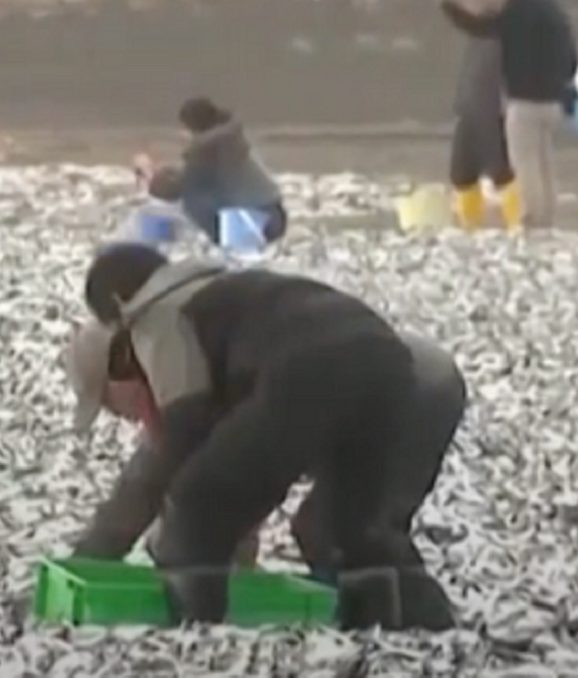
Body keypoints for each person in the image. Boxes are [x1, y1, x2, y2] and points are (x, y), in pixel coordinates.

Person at [65, 243, 461, 630]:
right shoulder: (228, 301)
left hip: (314, 368)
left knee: (194, 507)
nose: (129, 419)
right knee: (342, 529)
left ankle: (200, 639)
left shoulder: (159, 324)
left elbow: (178, 448)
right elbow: (231, 458)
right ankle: (423, 628)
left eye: (115, 405)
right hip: (384, 362)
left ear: (121, 365)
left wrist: (184, 529)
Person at [439, 0, 578, 229]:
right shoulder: (551, 7)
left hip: (521, 102)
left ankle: (530, 222)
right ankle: (544, 220)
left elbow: (478, 26)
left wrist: (448, 6)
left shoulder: (513, 11)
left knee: (523, 166)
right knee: (542, 165)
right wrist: (562, 83)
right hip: (550, 100)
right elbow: (570, 54)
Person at [133, 97, 286, 247]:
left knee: (188, 203)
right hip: (272, 214)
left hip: (256, 220)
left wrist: (153, 181)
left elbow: (181, 186)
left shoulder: (206, 150)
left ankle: (162, 249)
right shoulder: (229, 139)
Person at [445, 0, 519, 230]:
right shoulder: (472, 34)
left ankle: (518, 224)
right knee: (461, 174)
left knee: (502, 172)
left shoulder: (501, 28)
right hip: (468, 110)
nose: (471, 5)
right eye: (467, 0)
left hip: (493, 110)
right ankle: (470, 227)